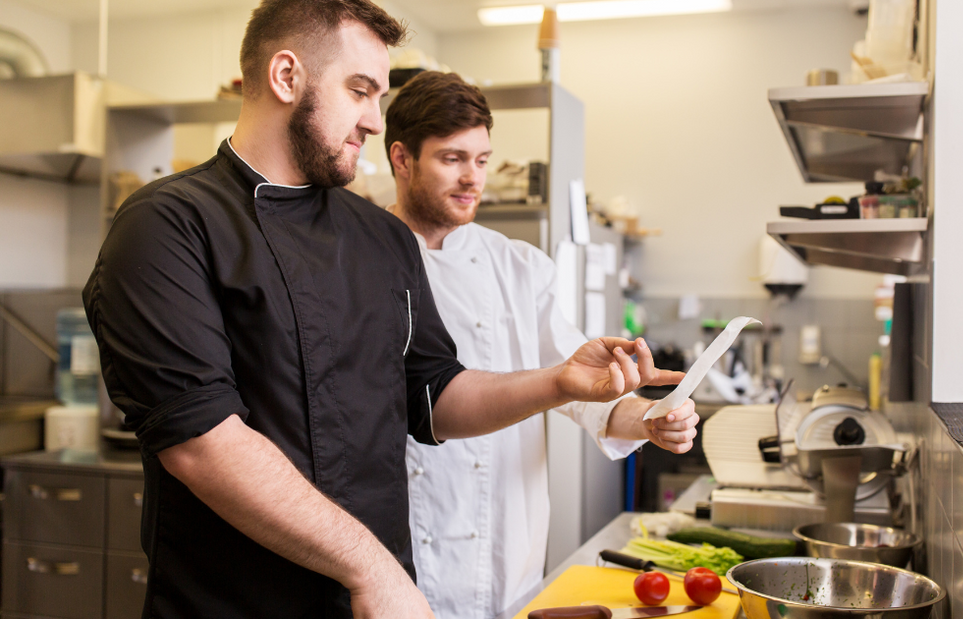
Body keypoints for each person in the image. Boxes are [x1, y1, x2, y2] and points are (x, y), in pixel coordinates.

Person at [82, 2, 683, 618]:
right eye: (360, 90)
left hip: (372, 603)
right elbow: (202, 441)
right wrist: (371, 567)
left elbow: (435, 397)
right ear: (286, 77)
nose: (374, 120)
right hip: (237, 604)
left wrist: (558, 381)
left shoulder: (382, 238)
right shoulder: (168, 224)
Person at [384, 71, 700, 619]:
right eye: (452, 159)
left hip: (505, 555)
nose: (472, 179)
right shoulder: (359, 259)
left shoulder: (520, 268)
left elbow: (583, 391)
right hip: (400, 557)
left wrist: (649, 419)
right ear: (401, 159)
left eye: (482, 160)